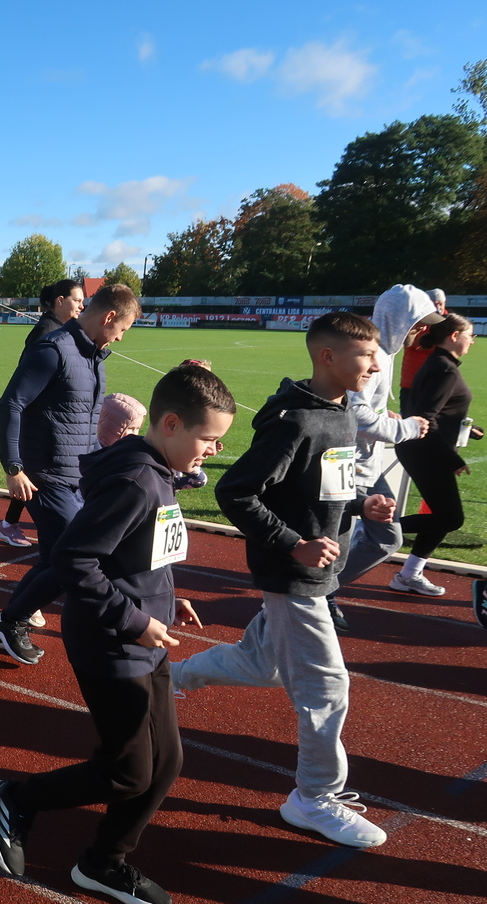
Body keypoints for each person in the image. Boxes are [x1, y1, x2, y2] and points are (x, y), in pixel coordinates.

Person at [0, 363, 235, 904]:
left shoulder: (157, 473)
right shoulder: (137, 480)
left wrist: (168, 599)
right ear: (171, 424)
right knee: (127, 771)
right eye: (209, 438)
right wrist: (136, 618)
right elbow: (74, 559)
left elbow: (139, 554)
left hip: (145, 633)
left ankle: (103, 862)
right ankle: (19, 799)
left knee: (164, 763)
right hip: (112, 642)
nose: (214, 450)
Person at [172, 312, 393, 849]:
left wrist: (361, 504)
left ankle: (172, 676)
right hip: (295, 574)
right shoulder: (295, 421)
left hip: (314, 568)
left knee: (261, 664)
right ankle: (313, 797)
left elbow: (318, 484)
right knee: (327, 688)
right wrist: (295, 543)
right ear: (327, 357)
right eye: (365, 354)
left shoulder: (340, 413)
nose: (375, 363)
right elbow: (238, 492)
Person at [0, 284, 141, 665]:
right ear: (108, 317)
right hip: (44, 475)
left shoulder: (94, 356)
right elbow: (10, 405)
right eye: (123, 328)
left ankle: (5, 624)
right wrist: (14, 468)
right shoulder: (52, 349)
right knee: (74, 557)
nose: (121, 336)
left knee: (53, 558)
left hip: (78, 475)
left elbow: (84, 421)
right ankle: (9, 621)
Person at [325, 286, 439, 629]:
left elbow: (364, 408)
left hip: (366, 463)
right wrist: (406, 428)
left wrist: (384, 413)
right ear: (399, 320)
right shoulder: (370, 353)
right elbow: (354, 414)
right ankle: (312, 596)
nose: (422, 331)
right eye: (417, 323)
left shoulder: (385, 352)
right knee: (343, 541)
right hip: (348, 465)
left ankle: (319, 592)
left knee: (386, 538)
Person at [392, 313, 482, 596]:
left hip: (426, 448)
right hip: (425, 450)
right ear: (454, 336)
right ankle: (372, 530)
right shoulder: (445, 369)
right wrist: (452, 459)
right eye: (470, 335)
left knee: (444, 515)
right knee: (451, 518)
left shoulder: (441, 364)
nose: (473, 341)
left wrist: (468, 426)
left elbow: (435, 411)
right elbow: (425, 419)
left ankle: (410, 574)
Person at [0, 279, 88, 546]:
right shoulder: (47, 334)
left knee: (34, 479)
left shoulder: (61, 330)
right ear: (60, 301)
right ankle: (15, 526)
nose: (82, 306)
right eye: (77, 300)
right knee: (35, 478)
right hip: (38, 422)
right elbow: (23, 387)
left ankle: (11, 524)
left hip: (47, 422)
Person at [398, 287, 448, 412]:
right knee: (408, 419)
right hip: (412, 381)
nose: (438, 307)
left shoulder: (448, 321)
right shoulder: (416, 321)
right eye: (434, 303)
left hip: (437, 381)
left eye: (441, 303)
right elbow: (412, 342)